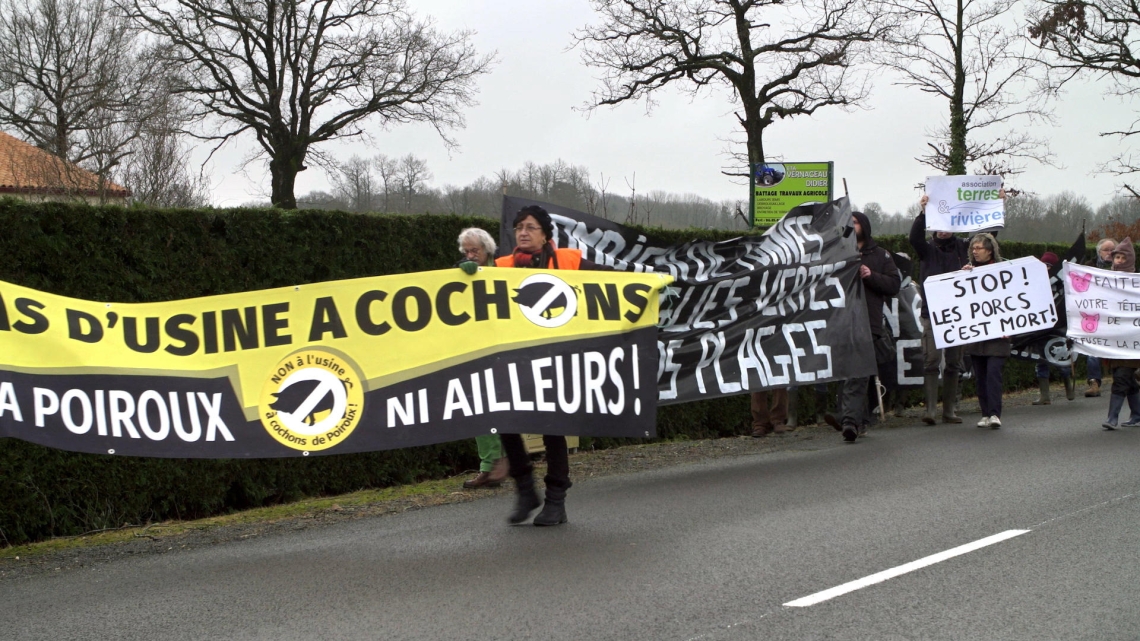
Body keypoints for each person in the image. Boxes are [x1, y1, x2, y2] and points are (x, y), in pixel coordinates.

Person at [489, 205, 609, 526]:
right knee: (505, 420)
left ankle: (556, 501)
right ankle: (525, 489)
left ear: (545, 235)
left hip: (556, 358)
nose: (523, 233)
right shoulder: (500, 266)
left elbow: (610, 281)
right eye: (518, 228)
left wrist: (648, 283)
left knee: (552, 427)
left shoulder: (568, 261)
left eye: (530, 227)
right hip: (516, 360)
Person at [834, 211, 901, 442]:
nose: (851, 226)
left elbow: (894, 284)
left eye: (855, 222)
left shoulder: (881, 255)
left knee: (860, 373)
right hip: (842, 321)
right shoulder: (840, 252)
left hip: (869, 323)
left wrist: (871, 276)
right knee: (853, 372)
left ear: (864, 225)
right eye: (848, 223)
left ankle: (851, 420)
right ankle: (854, 418)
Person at [455, 228, 509, 489]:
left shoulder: (505, 271)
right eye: (466, 251)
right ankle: (489, 468)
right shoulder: (458, 275)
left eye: (474, 250)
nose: (470, 255)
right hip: (474, 351)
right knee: (478, 410)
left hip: (504, 351)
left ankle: (506, 464)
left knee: (505, 410)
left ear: (488, 250)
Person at [911, 195, 970, 425]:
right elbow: (914, 237)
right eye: (939, 226)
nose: (943, 231)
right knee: (931, 360)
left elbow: (986, 239)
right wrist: (923, 212)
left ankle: (949, 410)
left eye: (948, 226)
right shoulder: (927, 249)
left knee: (954, 361)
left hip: (957, 314)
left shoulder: (963, 248)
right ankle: (930, 411)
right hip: (932, 313)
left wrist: (998, 205)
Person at [962, 233, 1010, 429]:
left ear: (989, 250)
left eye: (979, 248)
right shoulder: (968, 272)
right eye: (973, 248)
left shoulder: (1003, 271)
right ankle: (984, 413)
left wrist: (1011, 325)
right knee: (980, 376)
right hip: (977, 334)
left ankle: (995, 413)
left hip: (998, 335)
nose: (975, 251)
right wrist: (962, 277)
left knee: (993, 375)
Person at [1101, 238, 1140, 430]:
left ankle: (1112, 418)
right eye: (1116, 257)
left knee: (1121, 378)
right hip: (1115, 343)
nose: (1118, 261)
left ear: (1130, 260)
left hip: (1132, 342)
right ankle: (1138, 415)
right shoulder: (1106, 282)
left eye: (1122, 258)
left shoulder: (1136, 284)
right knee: (1126, 379)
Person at [1033, 252, 1075, 405]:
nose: (1046, 268)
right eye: (1043, 265)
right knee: (1041, 359)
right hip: (1040, 327)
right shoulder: (1035, 283)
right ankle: (1045, 396)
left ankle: (1068, 387)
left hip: (1058, 326)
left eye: (1049, 266)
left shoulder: (1062, 285)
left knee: (1060, 358)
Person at [1085, 238, 1116, 397]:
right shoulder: (1088, 268)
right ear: (1099, 252)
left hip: (1115, 317)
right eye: (1106, 250)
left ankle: (1125, 381)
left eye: (1113, 250)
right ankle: (1094, 382)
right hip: (1094, 316)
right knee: (1092, 349)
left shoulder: (1122, 267)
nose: (1110, 253)